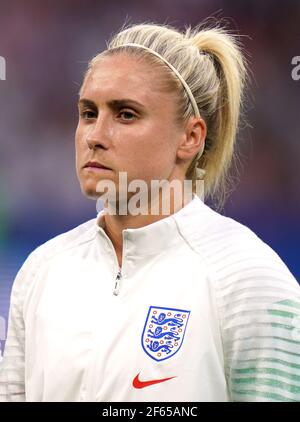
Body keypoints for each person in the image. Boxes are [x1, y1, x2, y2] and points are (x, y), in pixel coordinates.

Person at [0, 20, 299, 403]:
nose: (94, 136)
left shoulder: (247, 279)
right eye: (88, 113)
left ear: (190, 137)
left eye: (125, 114)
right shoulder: (41, 271)